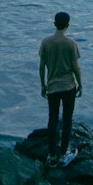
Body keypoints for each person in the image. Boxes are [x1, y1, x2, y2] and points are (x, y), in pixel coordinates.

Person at [38, 11, 82, 165]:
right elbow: (76, 68)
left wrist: (43, 85)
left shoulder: (46, 42)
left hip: (53, 87)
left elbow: (41, 67)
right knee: (67, 120)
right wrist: (81, 85)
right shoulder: (71, 44)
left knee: (53, 119)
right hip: (69, 86)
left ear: (54, 24)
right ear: (68, 25)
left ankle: (51, 155)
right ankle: (63, 155)